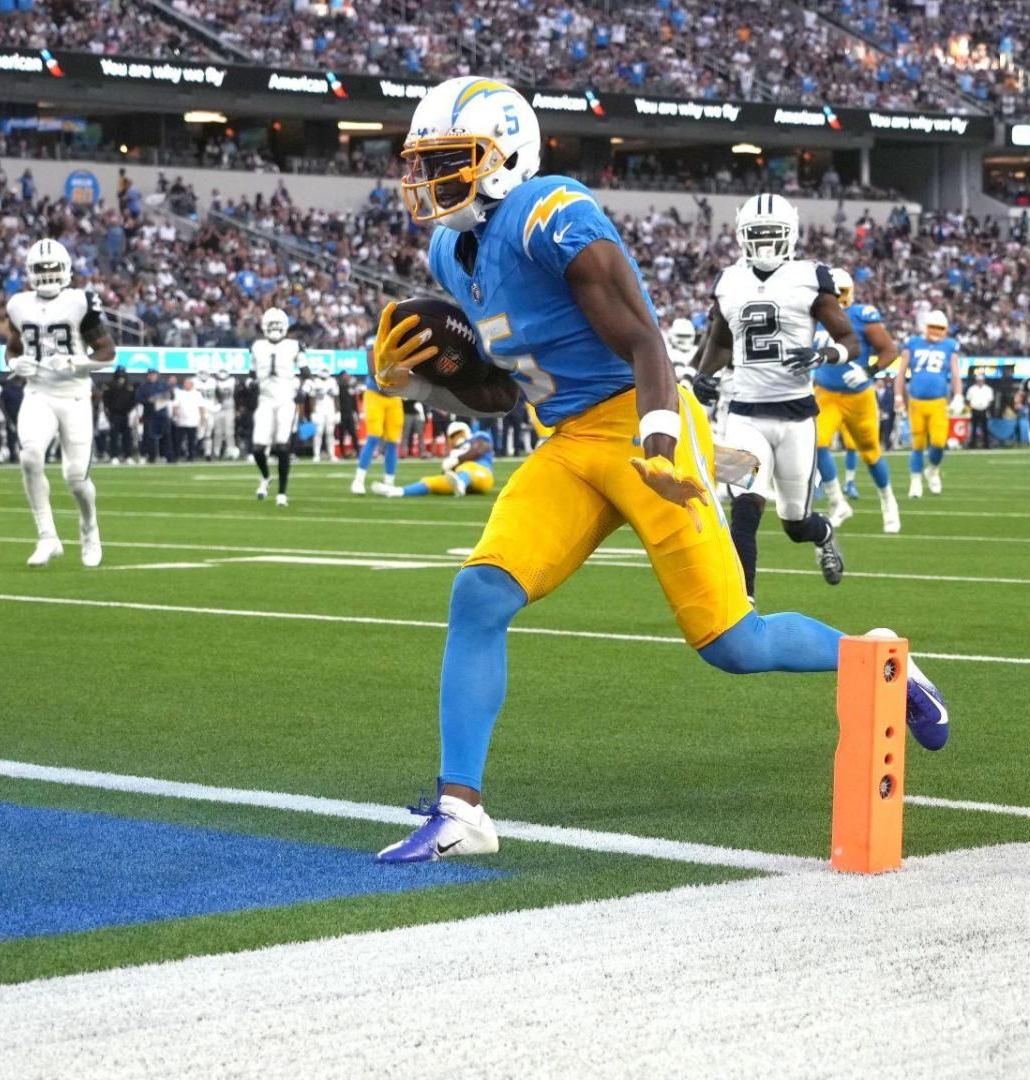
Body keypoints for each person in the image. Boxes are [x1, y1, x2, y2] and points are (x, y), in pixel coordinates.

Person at [369, 77, 949, 863]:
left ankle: (882, 658)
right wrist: (419, 385)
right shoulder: (451, 247)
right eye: (425, 162)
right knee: (479, 593)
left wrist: (661, 441)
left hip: (644, 425)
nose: (429, 180)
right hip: (568, 442)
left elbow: (645, 341)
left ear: (506, 156)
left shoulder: (550, 214)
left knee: (730, 641)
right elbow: (502, 391)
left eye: (450, 160)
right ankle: (460, 811)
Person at [692, 194, 851, 599]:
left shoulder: (811, 276)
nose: (764, 243)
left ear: (790, 235)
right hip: (744, 413)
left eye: (772, 234)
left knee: (795, 522)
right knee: (745, 508)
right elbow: (721, 340)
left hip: (796, 416)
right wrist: (703, 376)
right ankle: (743, 602)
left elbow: (850, 339)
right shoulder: (729, 281)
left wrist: (824, 353)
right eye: (756, 235)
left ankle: (824, 533)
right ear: (742, 236)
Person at [4, 238, 114, 567]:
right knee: (30, 456)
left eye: (53, 268)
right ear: (30, 272)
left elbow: (108, 352)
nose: (48, 274)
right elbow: (12, 348)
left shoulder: (81, 301)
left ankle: (89, 528)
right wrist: (13, 363)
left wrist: (80, 363)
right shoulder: (18, 304)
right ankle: (47, 536)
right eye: (41, 269)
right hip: (38, 392)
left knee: (76, 478)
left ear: (65, 269)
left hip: (76, 394)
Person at [809, 267, 901, 532]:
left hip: (858, 396)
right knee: (816, 443)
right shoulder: (814, 316)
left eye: (842, 292)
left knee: (871, 453)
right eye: (832, 292)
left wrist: (868, 371)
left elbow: (890, 350)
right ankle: (838, 501)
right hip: (826, 393)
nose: (837, 297)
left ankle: (888, 501)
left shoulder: (862, 316)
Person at [900, 309, 957, 497]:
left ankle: (932, 469)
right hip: (916, 402)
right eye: (932, 327)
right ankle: (915, 480)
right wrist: (898, 396)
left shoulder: (950, 346)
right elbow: (901, 372)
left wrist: (959, 395)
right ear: (925, 327)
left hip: (938, 402)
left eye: (939, 328)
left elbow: (955, 373)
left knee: (939, 443)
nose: (935, 331)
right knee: (917, 444)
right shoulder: (913, 343)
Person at [249, 307, 300, 505]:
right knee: (258, 448)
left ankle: (282, 493)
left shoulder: (294, 345)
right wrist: (249, 382)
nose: (275, 329)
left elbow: (305, 370)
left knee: (282, 445)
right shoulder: (257, 347)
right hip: (265, 400)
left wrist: (307, 383)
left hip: (285, 399)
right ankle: (265, 477)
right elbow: (252, 372)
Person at [376, 420, 496, 497]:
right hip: (462, 482)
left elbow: (480, 449)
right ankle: (397, 491)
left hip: (482, 474)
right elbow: (448, 475)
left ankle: (461, 483)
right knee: (432, 481)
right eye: (453, 436)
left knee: (467, 467)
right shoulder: (453, 453)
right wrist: (447, 467)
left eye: (458, 433)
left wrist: (457, 460)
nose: (456, 437)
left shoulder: (478, 437)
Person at [353, 365, 405, 494]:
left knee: (393, 441)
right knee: (373, 437)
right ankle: (358, 480)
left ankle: (389, 482)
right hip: (376, 394)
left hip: (394, 396)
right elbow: (373, 370)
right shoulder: (373, 344)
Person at [102, 370, 137, 463]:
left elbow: (133, 400)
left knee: (127, 436)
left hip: (125, 414)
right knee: (114, 436)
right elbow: (106, 400)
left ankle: (128, 456)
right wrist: (110, 411)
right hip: (114, 414)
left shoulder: (129, 386)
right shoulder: (110, 386)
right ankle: (114, 456)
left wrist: (128, 410)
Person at [171, 375, 204, 462]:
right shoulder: (179, 393)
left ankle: (191, 457)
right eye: (185, 383)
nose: (187, 385)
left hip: (193, 421)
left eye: (188, 383)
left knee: (191, 441)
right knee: (178, 440)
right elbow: (175, 405)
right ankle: (176, 456)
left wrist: (202, 418)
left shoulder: (197, 394)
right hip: (181, 421)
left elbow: (201, 406)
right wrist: (174, 415)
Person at [964, 368, 996, 449]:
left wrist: (988, 408)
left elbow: (990, 400)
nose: (980, 382)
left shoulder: (988, 389)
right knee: (973, 428)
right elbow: (968, 400)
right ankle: (972, 444)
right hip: (974, 409)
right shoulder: (972, 389)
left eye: (981, 380)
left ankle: (986, 444)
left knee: (985, 428)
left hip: (984, 410)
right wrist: (970, 409)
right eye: (979, 380)